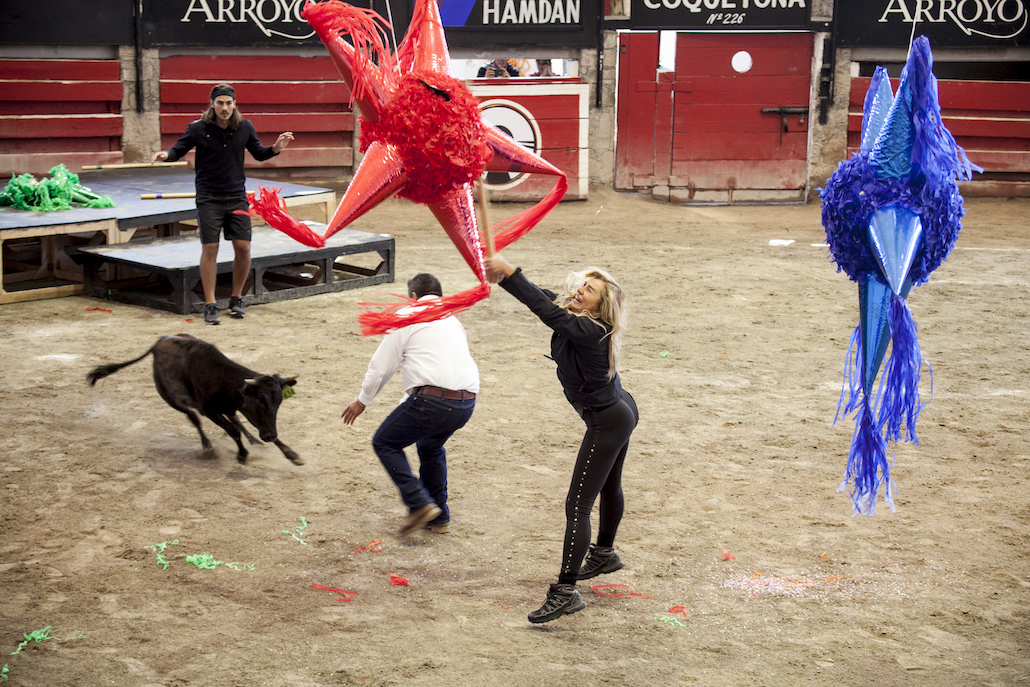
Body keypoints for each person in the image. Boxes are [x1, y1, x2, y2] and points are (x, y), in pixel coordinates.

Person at [485, 254, 638, 624]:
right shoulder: (581, 318)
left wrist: (510, 274)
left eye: (589, 290)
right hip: (619, 410)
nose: (579, 291)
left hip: (608, 420)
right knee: (608, 486)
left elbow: (547, 312)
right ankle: (603, 555)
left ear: (601, 306)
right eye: (582, 285)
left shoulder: (590, 330)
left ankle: (566, 592)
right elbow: (545, 298)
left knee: (578, 506)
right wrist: (503, 277)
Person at [342, 273, 480, 536]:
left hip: (432, 400)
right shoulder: (452, 319)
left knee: (384, 442)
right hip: (466, 403)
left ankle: (418, 503)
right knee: (430, 445)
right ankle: (439, 517)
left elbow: (382, 366)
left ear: (413, 297)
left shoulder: (409, 313)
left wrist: (363, 400)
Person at [152, 84, 294, 326]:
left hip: (236, 196)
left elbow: (259, 153)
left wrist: (276, 148)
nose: (225, 108)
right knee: (210, 248)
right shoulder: (198, 128)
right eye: (220, 103)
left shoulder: (245, 127)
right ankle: (210, 304)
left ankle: (236, 298)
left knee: (243, 247)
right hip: (208, 197)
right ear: (212, 104)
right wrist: (166, 155)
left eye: (229, 103)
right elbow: (178, 149)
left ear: (234, 104)